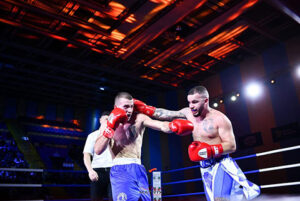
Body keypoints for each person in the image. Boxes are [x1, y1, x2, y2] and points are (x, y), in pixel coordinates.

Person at [134, 86, 260, 201]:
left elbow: (232, 145)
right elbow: (166, 114)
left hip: (220, 164)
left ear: (206, 101)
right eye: (189, 102)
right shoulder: (188, 113)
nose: (191, 106)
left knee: (219, 199)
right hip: (204, 166)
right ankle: (240, 195)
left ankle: (243, 193)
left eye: (195, 102)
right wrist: (145, 109)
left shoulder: (220, 119)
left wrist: (210, 150)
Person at [94, 92, 193, 201]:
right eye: (125, 107)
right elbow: (98, 150)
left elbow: (161, 125)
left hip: (139, 168)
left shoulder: (139, 118)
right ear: (116, 107)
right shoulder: (107, 123)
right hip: (121, 170)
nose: (129, 110)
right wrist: (110, 128)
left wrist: (172, 126)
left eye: (131, 106)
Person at [83, 111, 113, 201]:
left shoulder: (115, 135)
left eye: (110, 120)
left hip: (113, 170)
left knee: (114, 198)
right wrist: (90, 171)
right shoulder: (92, 136)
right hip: (97, 171)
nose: (108, 121)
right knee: (96, 199)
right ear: (100, 120)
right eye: (106, 119)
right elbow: (86, 155)